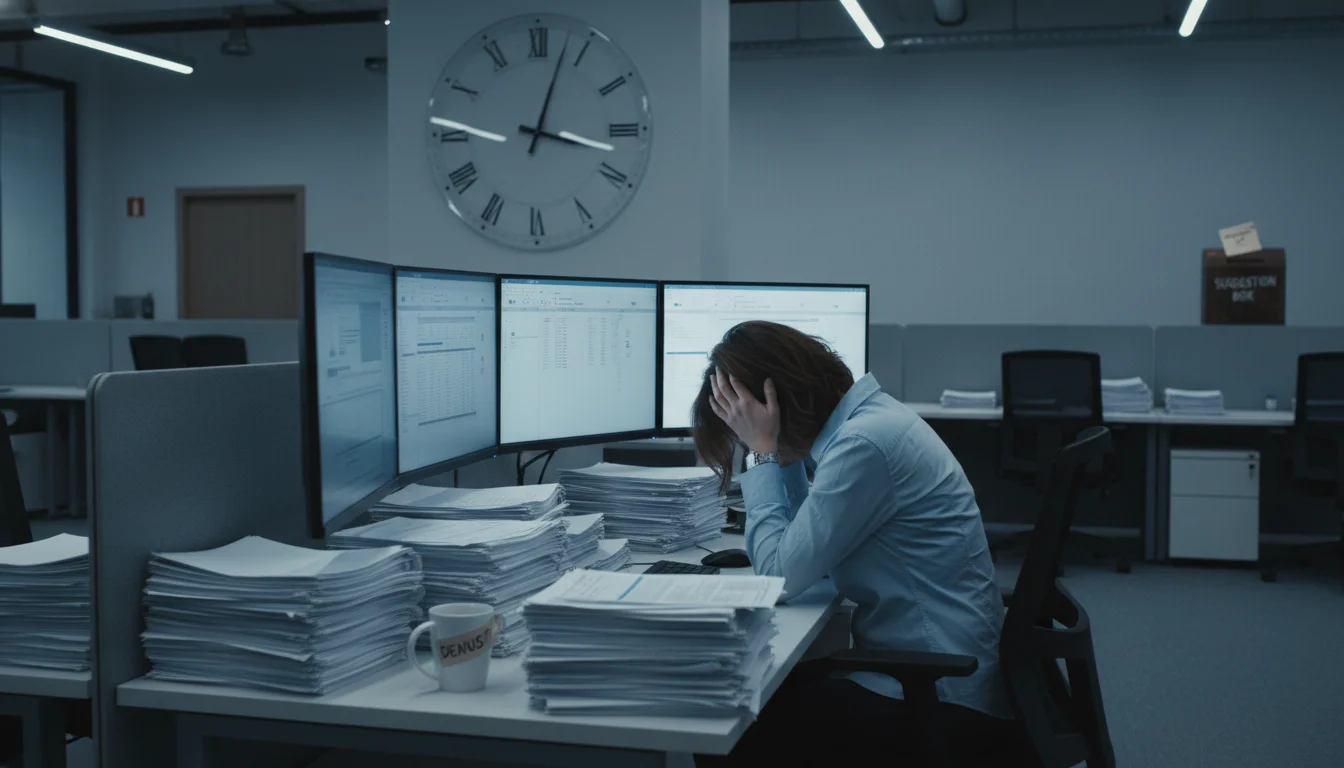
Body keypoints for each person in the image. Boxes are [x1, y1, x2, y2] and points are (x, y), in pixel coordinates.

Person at [692, 321, 1020, 766]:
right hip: (932, 671)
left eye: (741, 429)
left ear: (775, 404)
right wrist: (781, 453)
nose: (744, 440)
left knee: (722, 721)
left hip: (939, 697)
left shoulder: (864, 445)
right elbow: (810, 554)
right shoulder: (871, 423)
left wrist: (765, 451)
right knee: (758, 688)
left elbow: (777, 575)